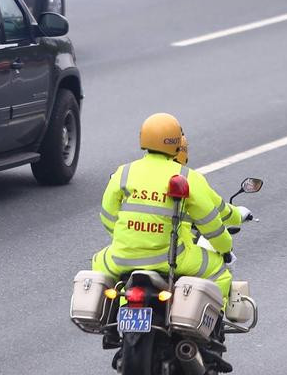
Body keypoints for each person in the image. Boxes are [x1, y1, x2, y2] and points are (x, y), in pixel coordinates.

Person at [92, 113, 252, 308]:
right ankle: (212, 326)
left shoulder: (123, 172)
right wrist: (225, 249)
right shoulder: (187, 176)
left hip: (121, 257)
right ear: (177, 142)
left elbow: (108, 217)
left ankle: (114, 316)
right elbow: (211, 225)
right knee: (219, 271)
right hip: (170, 260)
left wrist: (128, 238)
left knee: (97, 263)